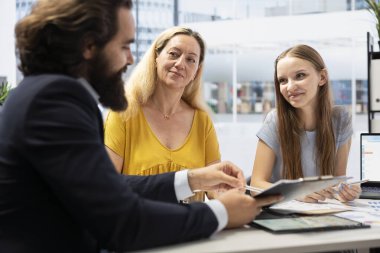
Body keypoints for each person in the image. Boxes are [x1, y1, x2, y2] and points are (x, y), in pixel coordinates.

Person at [0, 0, 282, 252]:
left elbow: (110, 187)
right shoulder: (55, 101)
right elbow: (123, 222)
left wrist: (193, 179)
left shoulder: (45, 93)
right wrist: (220, 213)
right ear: (88, 46)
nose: (131, 58)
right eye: (124, 46)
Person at [104, 26, 220, 202]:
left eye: (191, 60)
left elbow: (216, 190)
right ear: (156, 57)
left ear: (196, 72)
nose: (180, 64)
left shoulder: (203, 122)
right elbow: (106, 185)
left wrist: (234, 191)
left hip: (190, 228)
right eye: (174, 54)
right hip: (140, 226)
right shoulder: (124, 114)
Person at [250, 44, 361, 203]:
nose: (290, 87)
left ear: (322, 77)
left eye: (300, 76)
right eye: (282, 80)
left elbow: (337, 180)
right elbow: (256, 185)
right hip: (283, 213)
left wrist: (345, 191)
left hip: (320, 212)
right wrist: (295, 194)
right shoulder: (275, 121)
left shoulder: (341, 119)